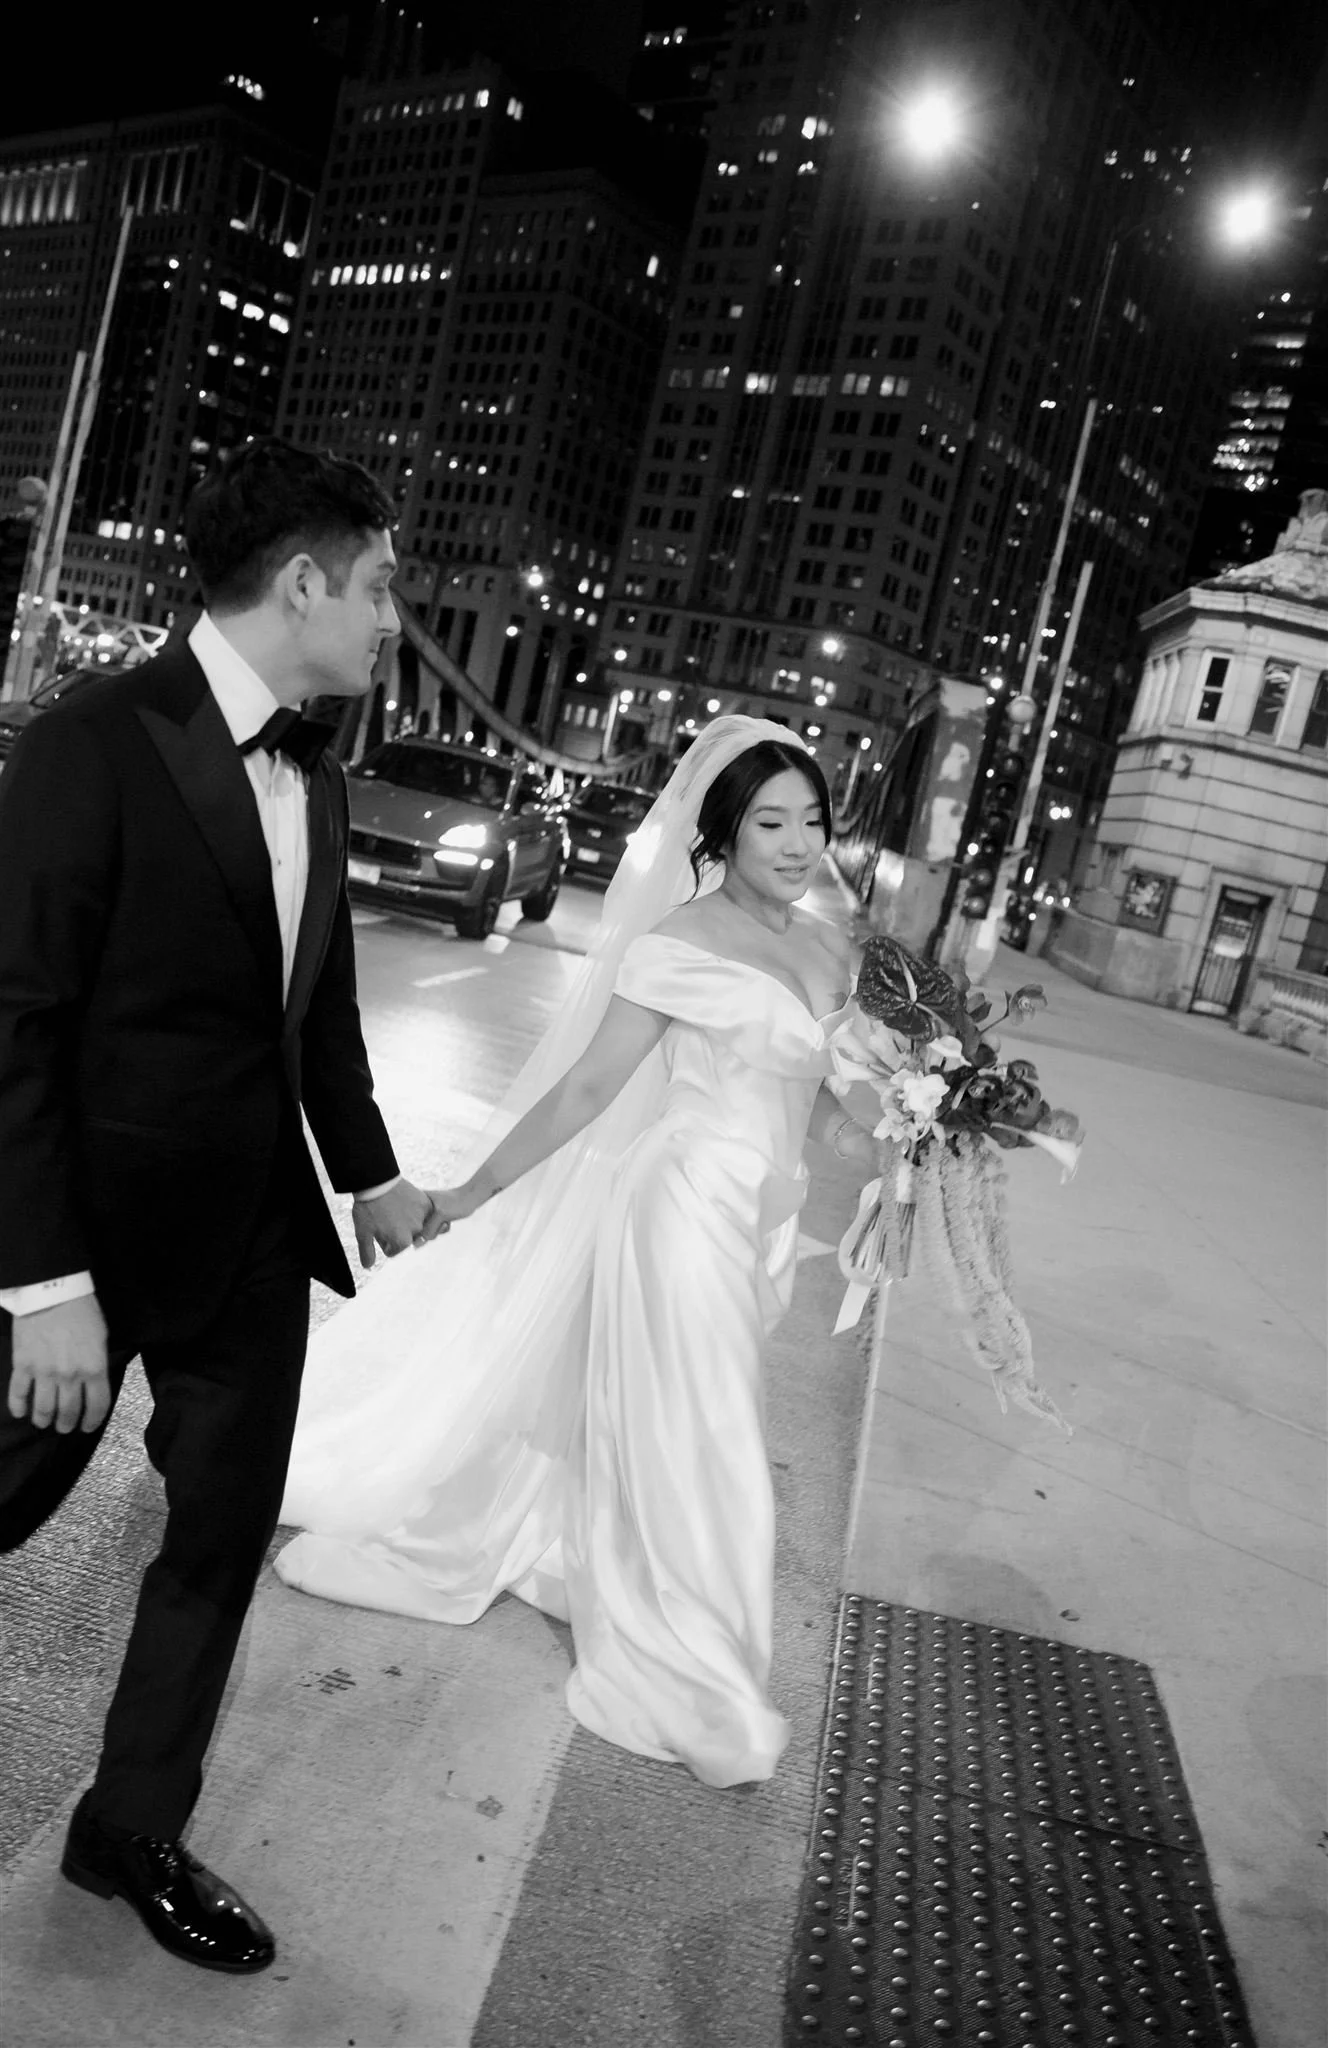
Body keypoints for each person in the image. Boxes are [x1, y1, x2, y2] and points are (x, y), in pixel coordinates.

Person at [0, 439, 437, 1973]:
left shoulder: (312, 772)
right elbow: (17, 1021)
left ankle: (129, 1829)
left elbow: (312, 1014)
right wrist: (44, 1278)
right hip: (91, 1240)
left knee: (217, 1537)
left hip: (253, 1232)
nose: (392, 621)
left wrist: (371, 1178)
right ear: (304, 583)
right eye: (380, 588)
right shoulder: (94, 740)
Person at [275, 718, 879, 1788]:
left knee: (674, 1420)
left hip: (761, 1222)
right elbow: (587, 1091)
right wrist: (470, 1189)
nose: (794, 841)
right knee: (710, 1429)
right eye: (768, 820)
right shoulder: (680, 944)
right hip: (684, 1203)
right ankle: (698, 1668)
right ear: (723, 831)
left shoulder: (832, 948)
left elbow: (829, 1109)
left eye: (810, 819)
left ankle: (645, 1590)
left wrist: (916, 1132)